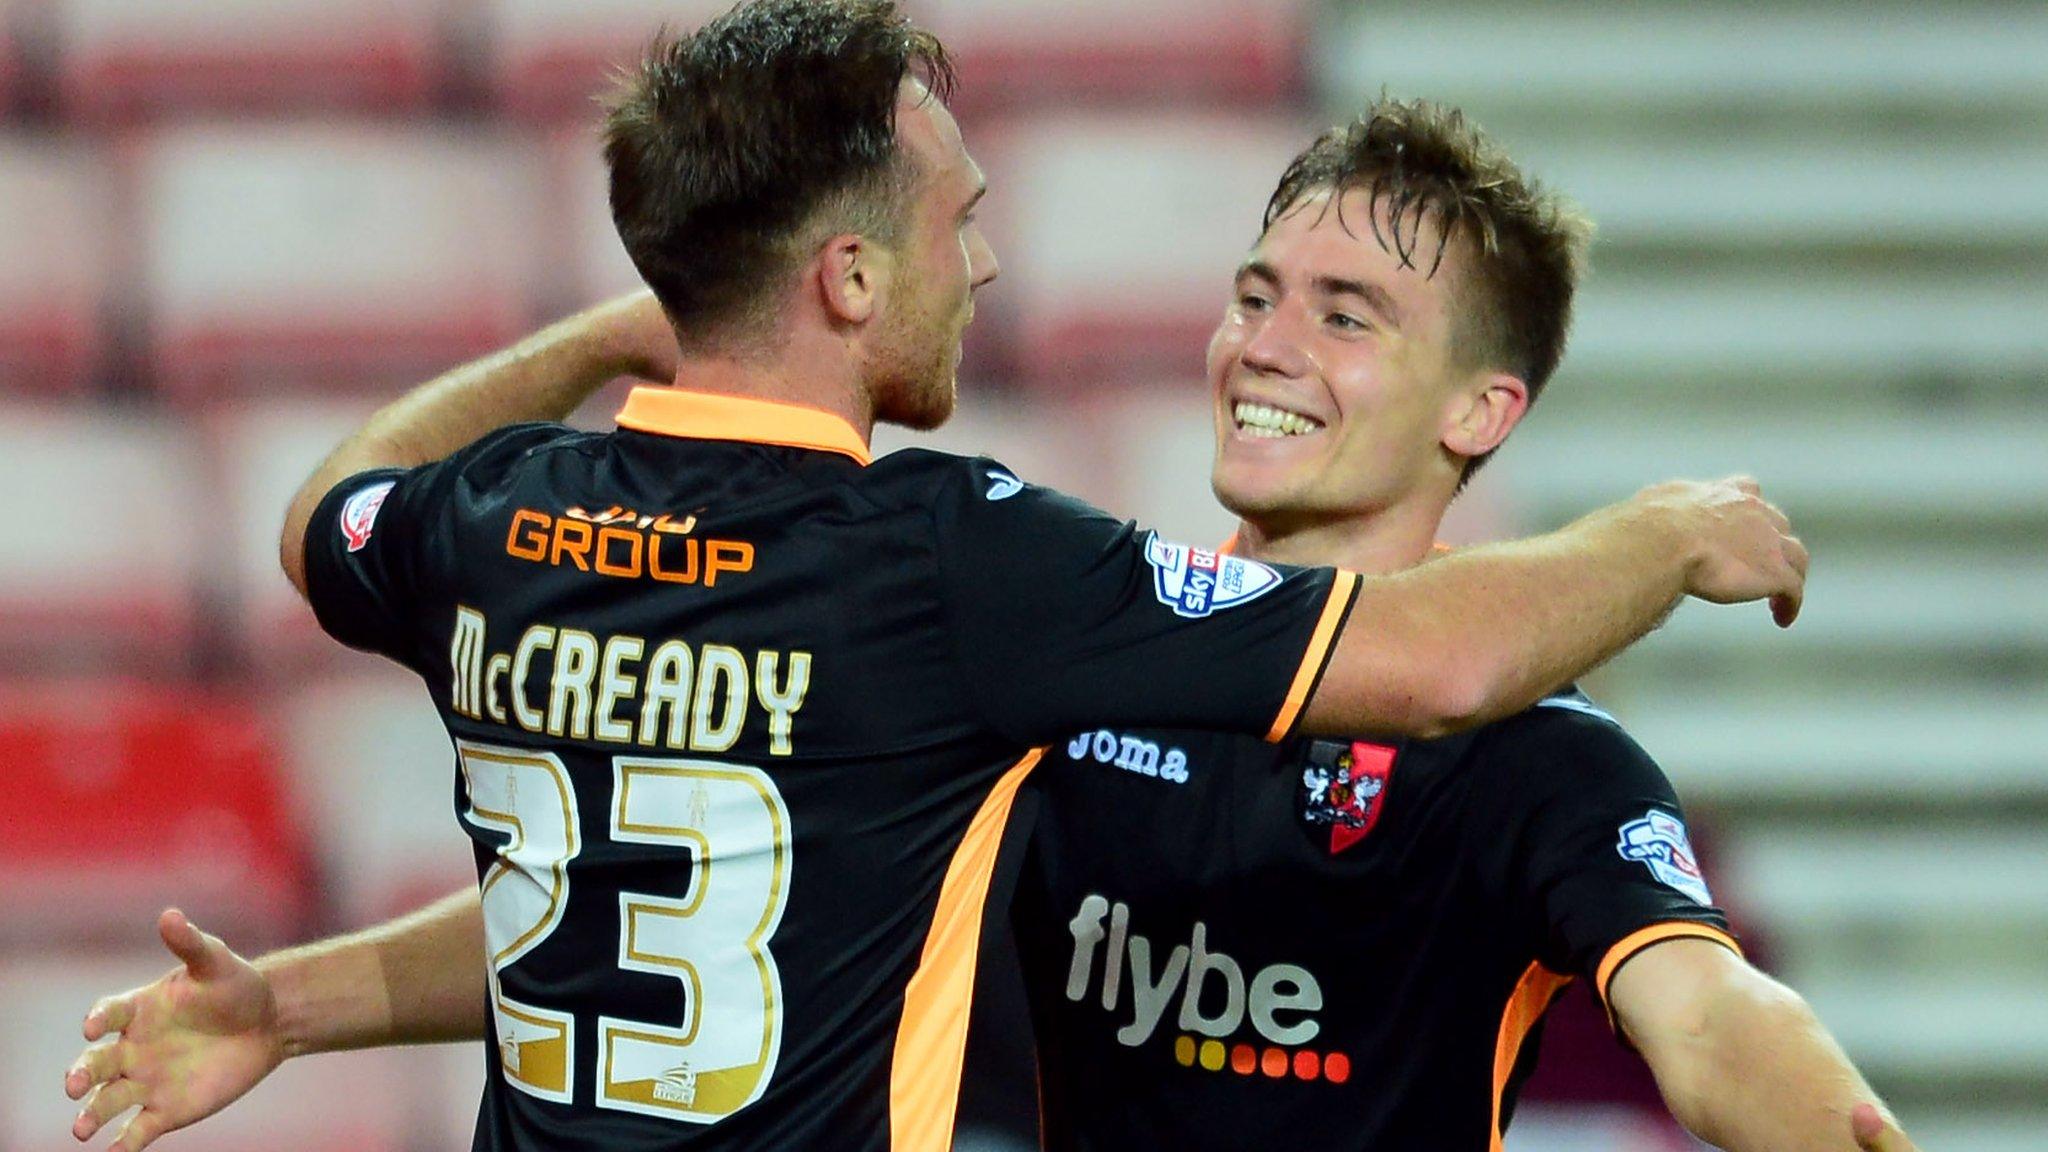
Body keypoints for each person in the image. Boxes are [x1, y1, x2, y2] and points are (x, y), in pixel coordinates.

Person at [60, 4, 1808, 1152]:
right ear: (840, 278)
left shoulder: (499, 520)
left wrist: (293, 1000)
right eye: (951, 221)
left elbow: (331, 523)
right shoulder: (951, 569)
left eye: (1336, 312)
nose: (981, 263)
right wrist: (1666, 533)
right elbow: (1429, 659)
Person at [1009, 99, 1917, 1152]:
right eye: (1253, 297)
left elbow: (1709, 1012)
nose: (1264, 346)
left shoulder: (1539, 757)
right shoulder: (1089, 641)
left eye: (1343, 318)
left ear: (1478, 413)